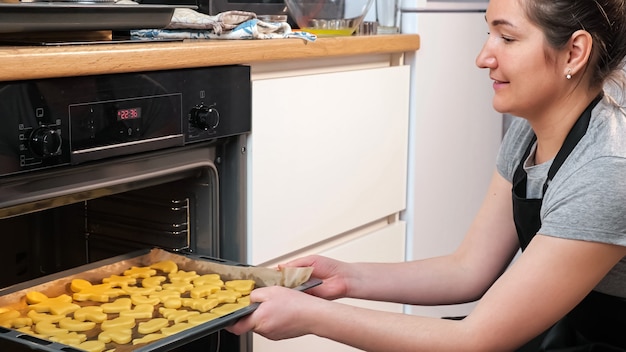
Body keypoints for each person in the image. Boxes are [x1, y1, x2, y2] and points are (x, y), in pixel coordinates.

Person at [227, 0, 626, 350]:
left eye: (507, 39)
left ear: (574, 52)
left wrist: (311, 317)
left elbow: (474, 340)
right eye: (489, 33)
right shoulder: (533, 124)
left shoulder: (607, 164)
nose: (483, 57)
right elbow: (468, 269)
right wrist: (346, 278)